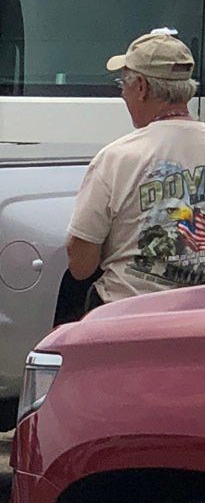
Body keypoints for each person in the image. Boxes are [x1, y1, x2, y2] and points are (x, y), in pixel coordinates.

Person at [67, 30, 205, 308]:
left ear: (141, 87)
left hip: (128, 318)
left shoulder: (117, 158)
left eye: (123, 84)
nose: (123, 94)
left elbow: (80, 264)